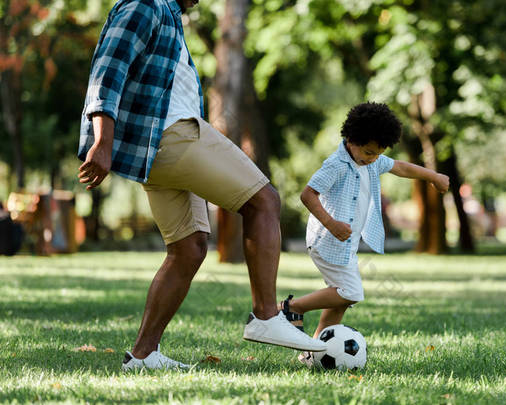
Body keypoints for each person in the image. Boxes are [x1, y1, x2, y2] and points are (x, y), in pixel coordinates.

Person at [77, 0, 325, 371]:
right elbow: (108, 71)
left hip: (158, 152)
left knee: (189, 248)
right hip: (173, 135)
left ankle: (143, 356)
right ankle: (266, 316)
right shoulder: (146, 5)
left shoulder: (170, 17)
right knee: (264, 201)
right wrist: (103, 140)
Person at [278, 102, 450, 365]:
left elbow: (401, 167)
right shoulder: (336, 164)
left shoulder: (372, 162)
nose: (372, 158)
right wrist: (331, 223)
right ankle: (293, 307)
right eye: (369, 152)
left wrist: (433, 176)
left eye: (377, 154)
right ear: (351, 139)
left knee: (340, 301)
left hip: (346, 245)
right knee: (351, 292)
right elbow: (307, 194)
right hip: (327, 240)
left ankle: (311, 353)